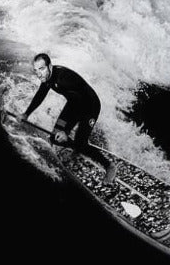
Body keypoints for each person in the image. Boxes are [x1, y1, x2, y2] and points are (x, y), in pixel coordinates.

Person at [21, 53, 117, 185]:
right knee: (55, 137)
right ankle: (76, 147)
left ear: (50, 66)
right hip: (74, 103)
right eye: (36, 70)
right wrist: (26, 114)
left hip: (89, 106)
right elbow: (40, 95)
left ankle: (109, 166)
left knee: (80, 142)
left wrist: (65, 132)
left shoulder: (63, 79)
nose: (39, 73)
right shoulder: (47, 78)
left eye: (42, 69)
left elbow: (82, 102)